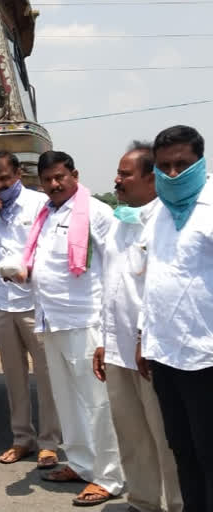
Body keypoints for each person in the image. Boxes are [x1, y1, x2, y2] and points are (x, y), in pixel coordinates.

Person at [18, 151, 124, 506]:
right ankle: (81, 464)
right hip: (52, 321)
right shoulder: (46, 214)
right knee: (68, 402)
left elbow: (114, 270)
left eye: (60, 177)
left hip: (87, 322)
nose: (53, 184)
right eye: (46, 179)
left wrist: (109, 332)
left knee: (98, 404)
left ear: (74, 174)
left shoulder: (97, 212)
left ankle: (110, 477)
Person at [91, 143, 182, 512]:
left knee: (167, 439)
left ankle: (178, 504)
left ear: (151, 179)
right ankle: (143, 502)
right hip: (117, 350)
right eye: (118, 172)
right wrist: (102, 340)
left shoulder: (167, 223)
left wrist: (145, 338)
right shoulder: (119, 223)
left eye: (125, 174)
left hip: (153, 353)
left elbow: (161, 291)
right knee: (131, 434)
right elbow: (107, 286)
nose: (117, 180)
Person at [138, 125, 213, 510]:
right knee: (182, 449)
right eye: (163, 166)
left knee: (209, 454)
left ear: (199, 162)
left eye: (181, 165)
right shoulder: (160, 212)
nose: (171, 174)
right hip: (165, 354)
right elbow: (155, 278)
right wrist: (142, 337)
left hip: (206, 357)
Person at [0, 151, 61, 469]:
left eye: (5, 179)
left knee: (47, 375)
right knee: (14, 376)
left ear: (18, 174)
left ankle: (50, 443)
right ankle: (22, 438)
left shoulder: (39, 204)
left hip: (34, 302)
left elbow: (51, 249)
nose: (0, 186)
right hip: (2, 303)